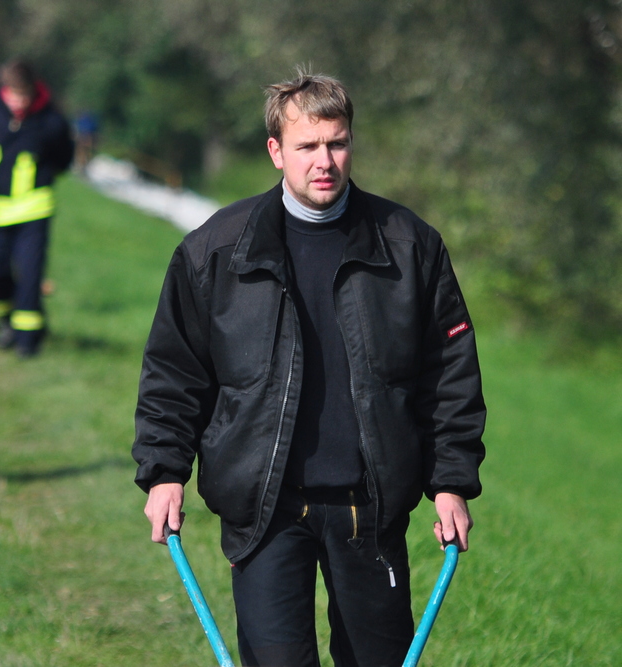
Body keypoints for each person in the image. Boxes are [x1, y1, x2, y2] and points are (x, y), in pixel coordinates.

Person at [132, 71, 486, 666]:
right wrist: (165, 470)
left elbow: (450, 372)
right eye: (307, 146)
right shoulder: (215, 251)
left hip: (371, 513)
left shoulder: (409, 245)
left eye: (337, 143)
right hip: (265, 512)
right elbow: (174, 372)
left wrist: (451, 480)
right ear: (276, 151)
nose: (324, 161)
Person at [0, 59, 74, 357]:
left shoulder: (51, 121)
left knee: (30, 275)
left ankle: (28, 342)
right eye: (13, 96)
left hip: (33, 211)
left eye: (24, 97)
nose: (18, 103)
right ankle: (8, 320)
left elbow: (63, 159)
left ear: (33, 92)